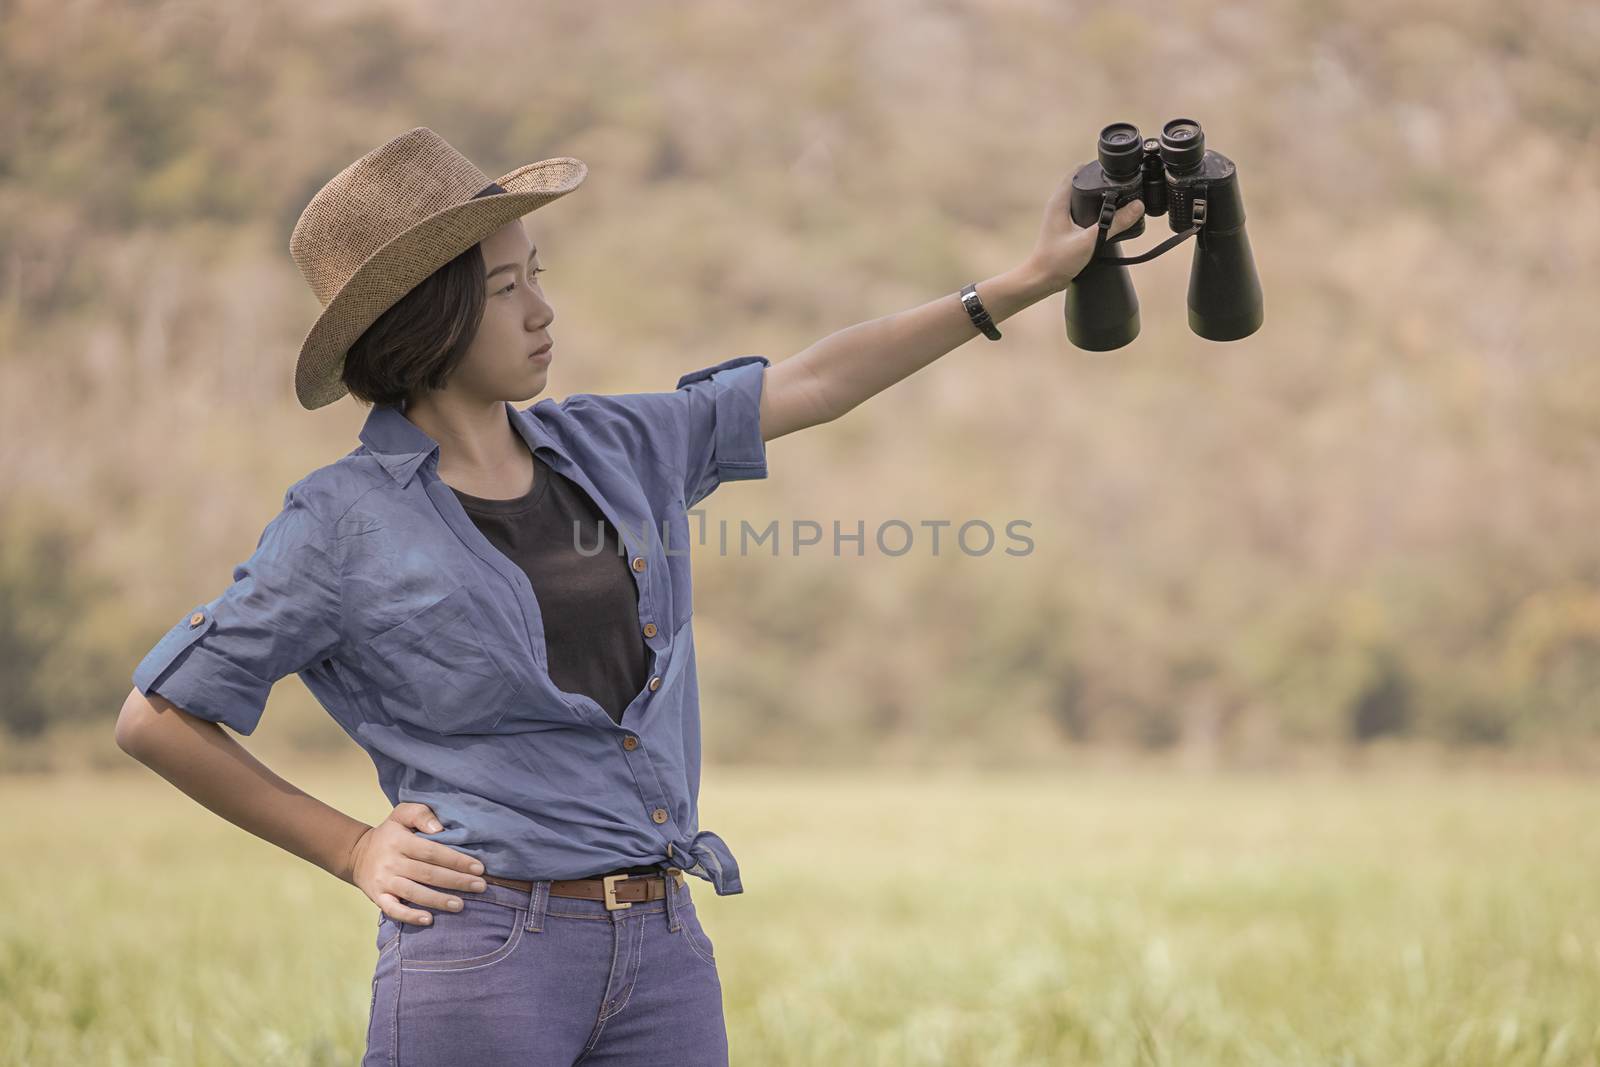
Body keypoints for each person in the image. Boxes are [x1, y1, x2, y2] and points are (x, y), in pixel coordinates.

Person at [112, 126, 1144, 1066]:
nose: (542, 309)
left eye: (536, 277)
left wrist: (1018, 284)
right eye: (507, 287)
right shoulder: (339, 523)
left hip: (662, 951)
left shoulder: (616, 445)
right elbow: (156, 716)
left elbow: (818, 380)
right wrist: (351, 846)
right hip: (483, 956)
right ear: (428, 317)